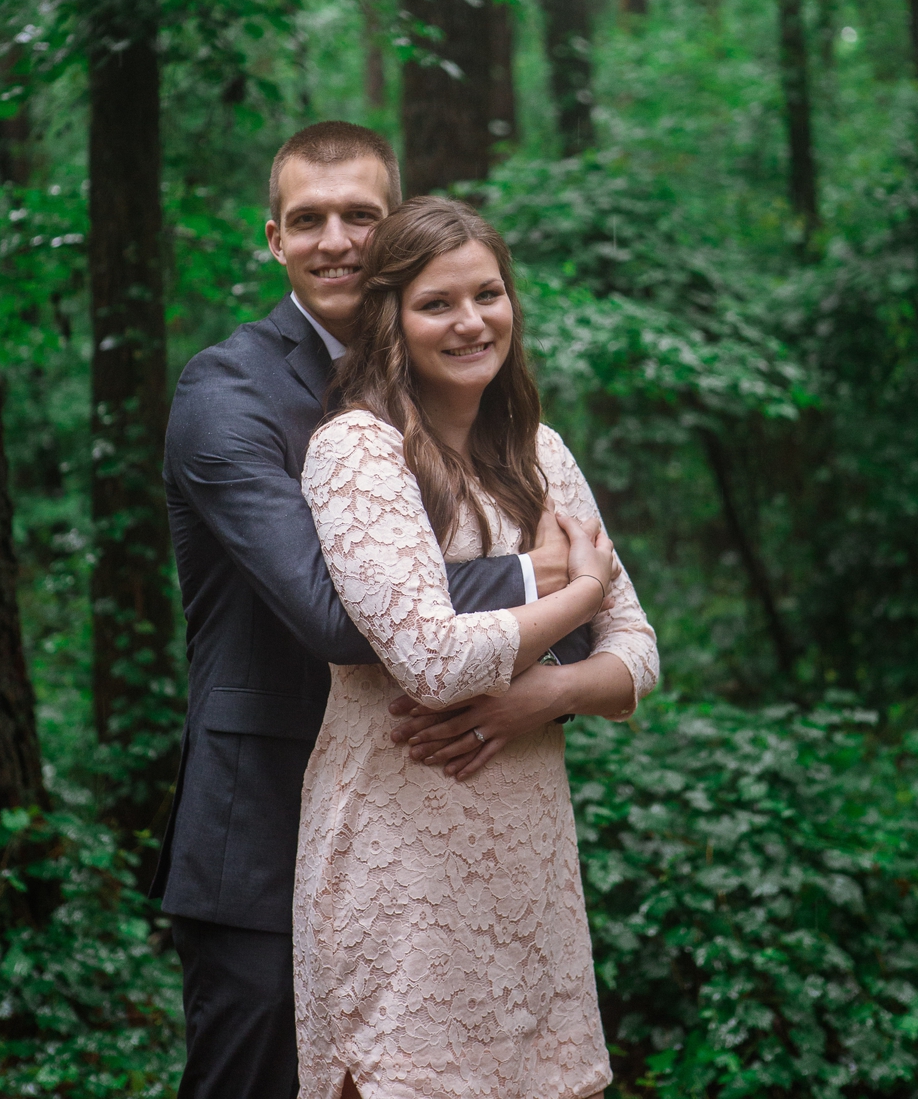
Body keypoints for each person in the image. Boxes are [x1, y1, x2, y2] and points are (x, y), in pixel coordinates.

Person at [155, 122, 592, 1099]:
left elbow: (585, 630)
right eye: (308, 219)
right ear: (273, 238)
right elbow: (333, 611)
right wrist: (532, 577)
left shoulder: (459, 389)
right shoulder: (228, 393)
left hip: (434, 837)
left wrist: (542, 684)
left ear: (396, 227)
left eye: (361, 214)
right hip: (264, 828)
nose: (337, 239)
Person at [296, 195, 658, 1099]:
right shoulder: (357, 452)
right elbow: (430, 658)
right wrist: (574, 590)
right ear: (391, 319)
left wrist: (540, 696)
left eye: (487, 294)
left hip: (530, 867)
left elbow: (640, 651)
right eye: (437, 303)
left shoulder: (543, 454)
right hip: (403, 862)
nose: (470, 322)